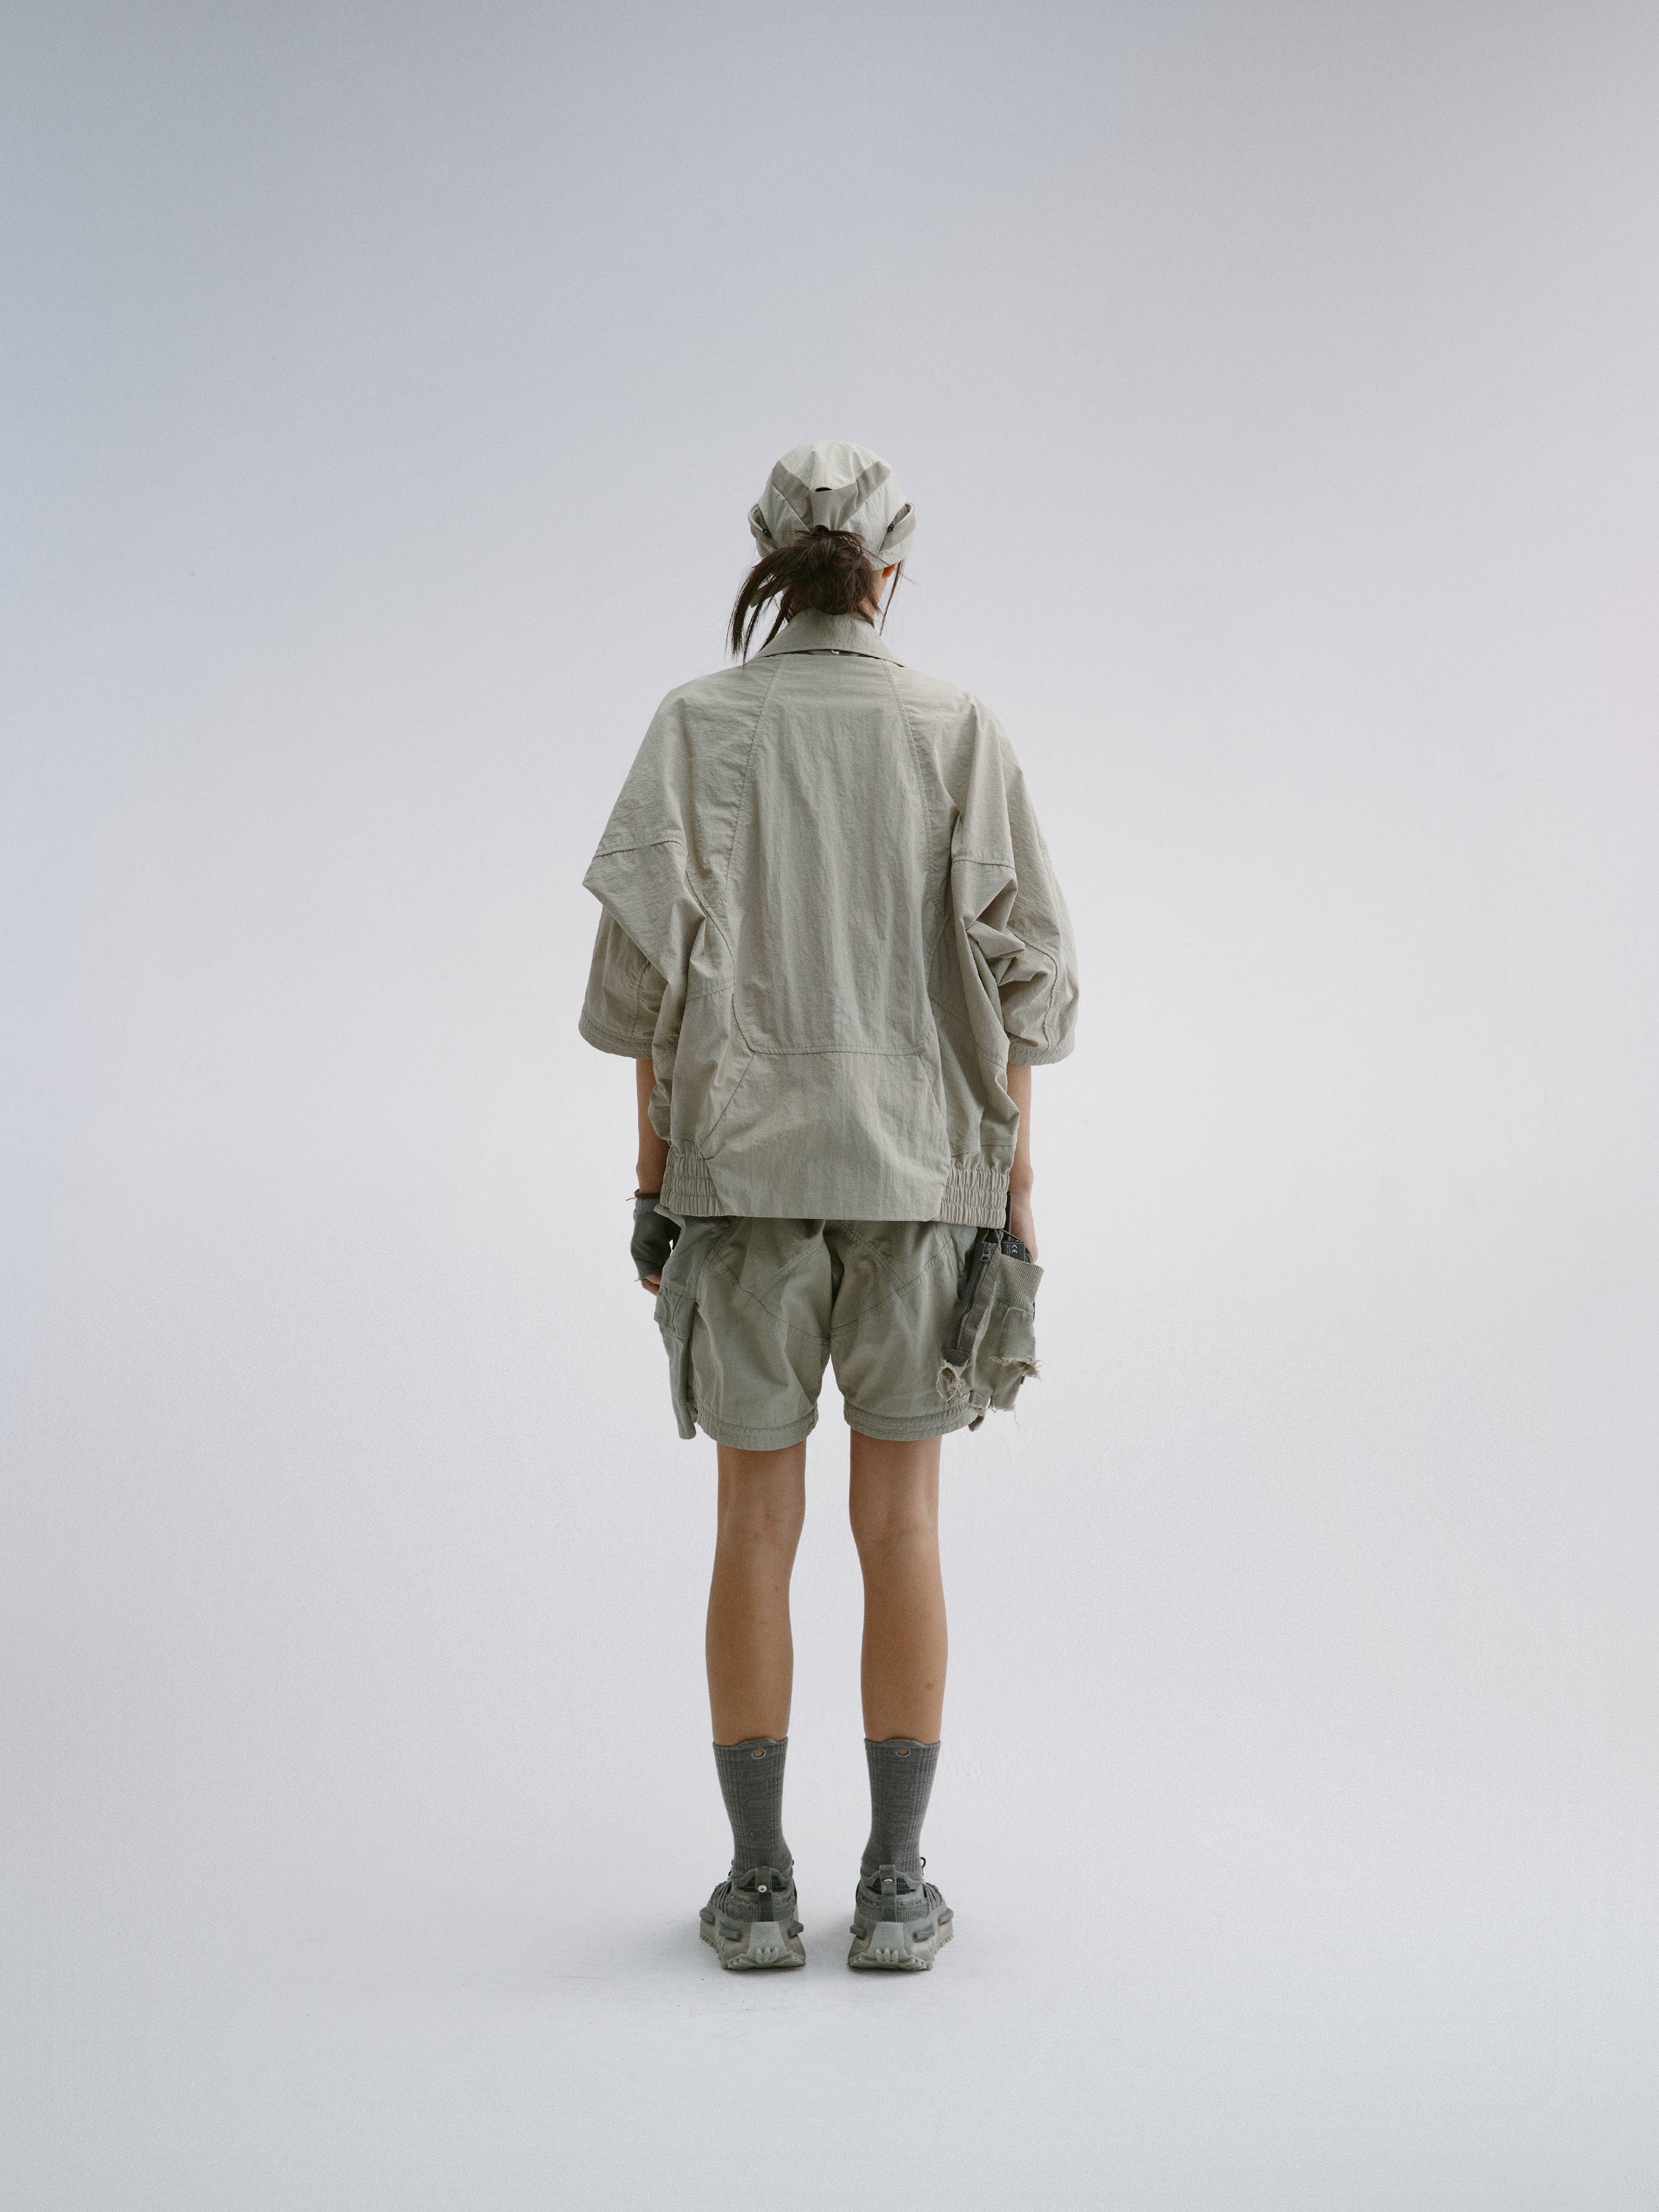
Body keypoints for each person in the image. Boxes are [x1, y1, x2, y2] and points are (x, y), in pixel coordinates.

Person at [579, 441, 1078, 1971]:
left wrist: (653, 1181)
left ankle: (752, 1894)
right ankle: (897, 1889)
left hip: (738, 1181)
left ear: (767, 554)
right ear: (891, 568)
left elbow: (639, 992)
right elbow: (1030, 992)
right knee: (901, 1526)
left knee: (752, 1524)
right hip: (923, 1178)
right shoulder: (956, 729)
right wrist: (1012, 1190)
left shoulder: (695, 726)